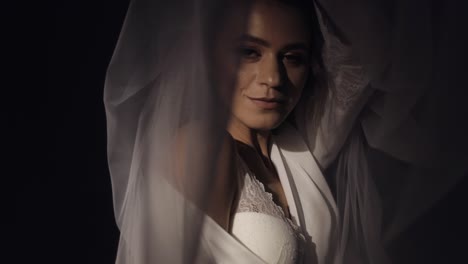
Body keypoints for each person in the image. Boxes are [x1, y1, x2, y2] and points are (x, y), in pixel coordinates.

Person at [104, 0, 468, 263]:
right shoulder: (202, 145)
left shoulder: (296, 149)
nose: (273, 79)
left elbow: (362, 58)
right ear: (209, 56)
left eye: (292, 58)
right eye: (250, 52)